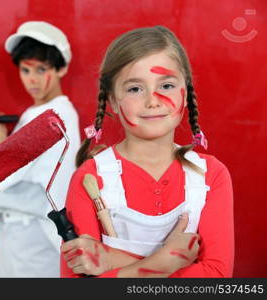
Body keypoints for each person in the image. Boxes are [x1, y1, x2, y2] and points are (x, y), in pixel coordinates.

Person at [61, 25, 234, 278]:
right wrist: (166, 261)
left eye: (166, 86)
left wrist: (113, 263)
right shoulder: (90, 178)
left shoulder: (211, 175)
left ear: (185, 94)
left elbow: (216, 277)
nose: (153, 101)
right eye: (134, 89)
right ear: (112, 101)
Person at [0, 21, 81, 277]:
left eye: (42, 69)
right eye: (26, 70)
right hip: (20, 233)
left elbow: (6, 174)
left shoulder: (56, 116)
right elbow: (14, 169)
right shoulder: (37, 113)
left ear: (61, 68)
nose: (33, 80)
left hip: (34, 237)